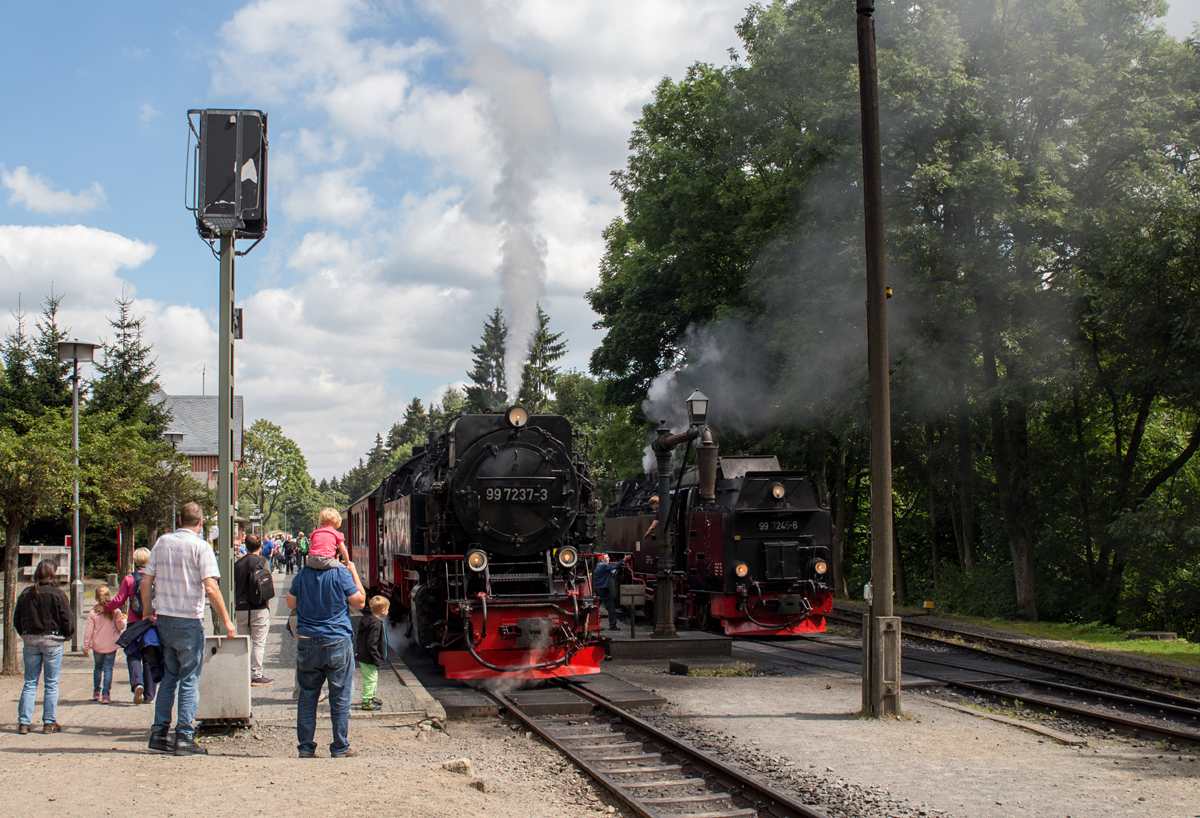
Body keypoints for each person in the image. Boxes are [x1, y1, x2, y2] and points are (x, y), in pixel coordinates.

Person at [141, 501, 237, 756]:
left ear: (180, 520)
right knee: (189, 678)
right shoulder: (201, 547)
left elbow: (146, 580)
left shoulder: (162, 542)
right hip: (188, 621)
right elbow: (210, 588)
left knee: (170, 677)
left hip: (164, 619)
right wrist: (226, 621)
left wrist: (148, 612)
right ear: (201, 522)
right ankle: (184, 735)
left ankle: (159, 733)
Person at [287, 538, 366, 758]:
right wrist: (354, 573)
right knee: (340, 695)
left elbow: (290, 603)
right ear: (333, 553)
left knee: (308, 695)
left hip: (307, 641)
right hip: (336, 641)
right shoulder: (341, 574)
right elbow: (360, 602)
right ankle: (340, 746)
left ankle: (305, 747)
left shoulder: (302, 574)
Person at [14, 560, 75, 734]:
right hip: (52, 640)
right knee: (51, 683)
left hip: (30, 640)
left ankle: (24, 722)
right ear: (53, 574)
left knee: (30, 682)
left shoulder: (26, 593)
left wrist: (25, 634)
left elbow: (17, 618)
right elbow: (67, 620)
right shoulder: (58, 594)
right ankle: (49, 722)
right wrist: (67, 635)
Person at [104, 546, 156, 704]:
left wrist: (105, 607)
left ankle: (137, 683)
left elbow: (119, 600)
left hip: (134, 622)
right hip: (151, 622)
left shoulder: (129, 579)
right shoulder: (156, 578)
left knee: (133, 654)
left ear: (135, 561)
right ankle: (149, 695)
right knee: (149, 657)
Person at [235, 534, 275, 687]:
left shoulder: (238, 563)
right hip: (259, 607)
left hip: (241, 607)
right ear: (260, 547)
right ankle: (256, 674)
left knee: (244, 641)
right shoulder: (262, 562)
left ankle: (242, 671)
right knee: (258, 642)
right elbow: (268, 583)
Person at [83, 585, 127, 703]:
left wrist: (86, 645)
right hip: (111, 645)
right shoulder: (115, 611)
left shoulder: (93, 612)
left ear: (96, 597)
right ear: (109, 596)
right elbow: (121, 626)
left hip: (97, 645)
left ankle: (97, 691)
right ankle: (106, 694)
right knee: (108, 669)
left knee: (98, 668)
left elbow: (88, 631)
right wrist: (123, 619)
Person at [355, 595, 389, 711]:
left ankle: (371, 696)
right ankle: (366, 700)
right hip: (368, 657)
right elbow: (372, 644)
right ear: (382, 611)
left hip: (364, 655)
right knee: (370, 679)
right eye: (387, 609)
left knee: (372, 677)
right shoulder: (376, 625)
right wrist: (376, 658)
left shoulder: (367, 620)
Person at [592, 554, 623, 631]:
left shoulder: (598, 566)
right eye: (606, 558)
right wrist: (624, 560)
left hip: (597, 588)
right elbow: (615, 566)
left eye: (608, 557)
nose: (608, 559)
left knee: (595, 607)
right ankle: (612, 625)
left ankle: (593, 625)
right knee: (611, 607)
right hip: (603, 589)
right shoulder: (604, 565)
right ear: (602, 559)